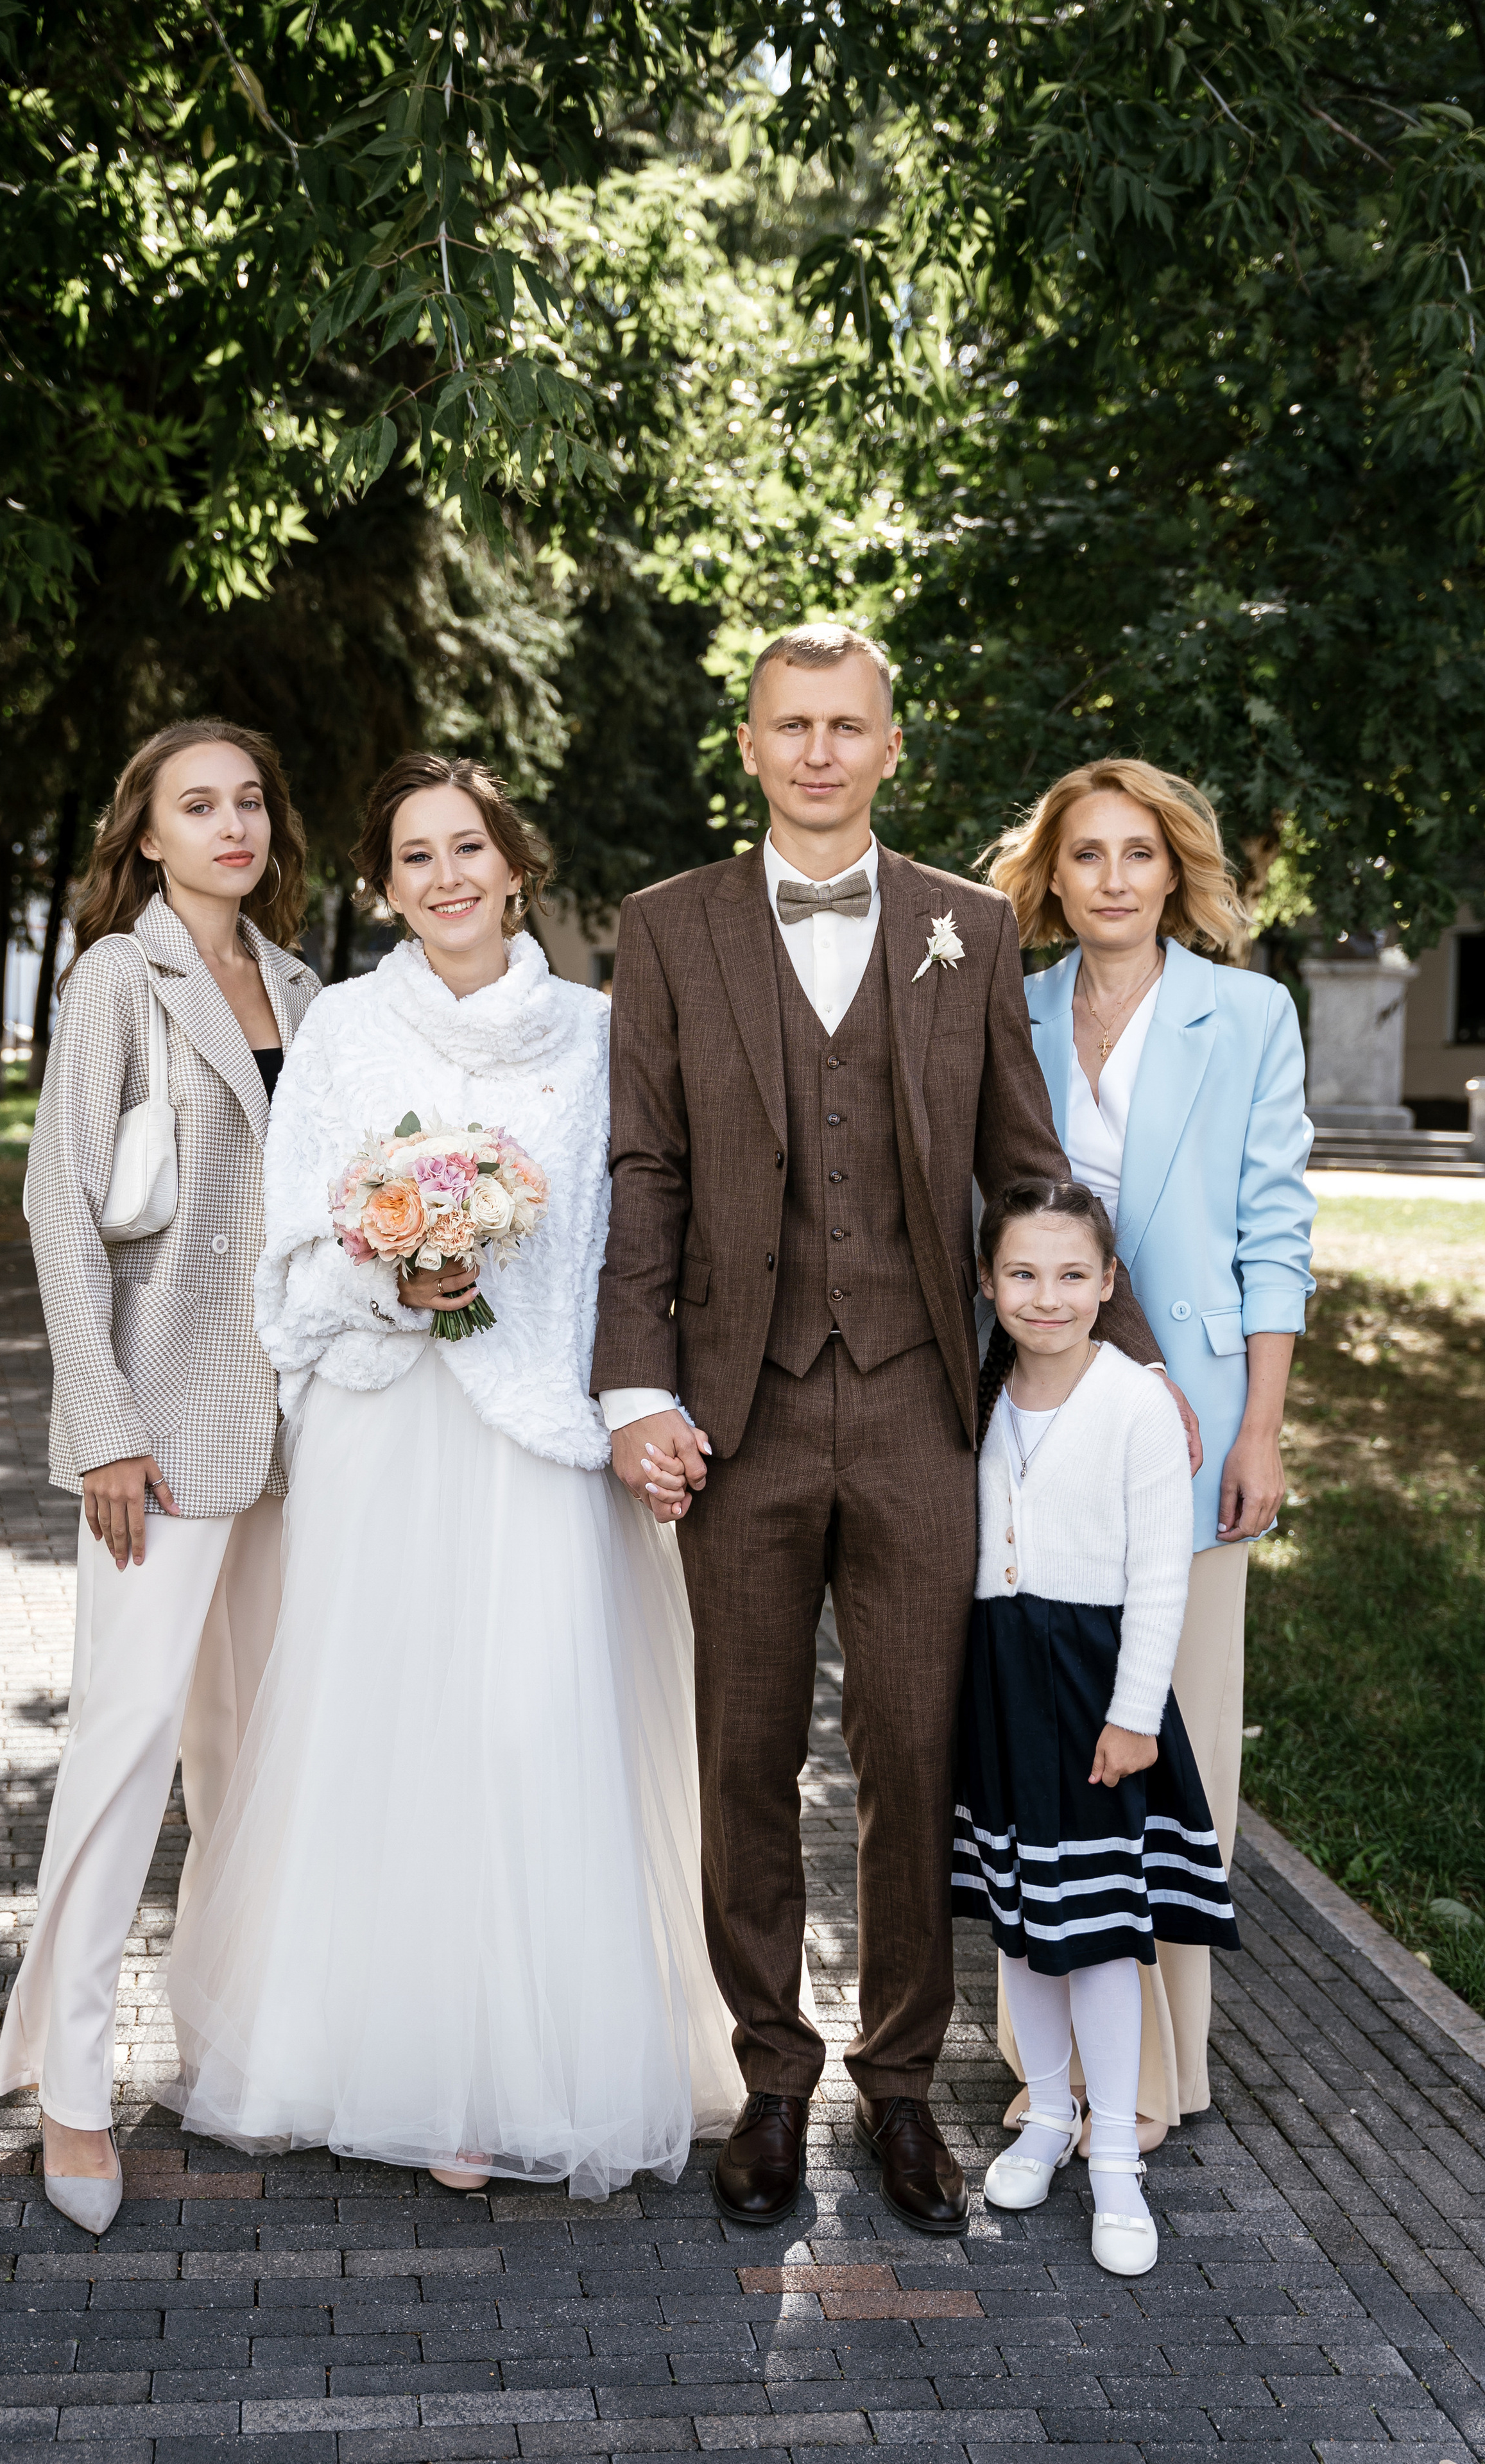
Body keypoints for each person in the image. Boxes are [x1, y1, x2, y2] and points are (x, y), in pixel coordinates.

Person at [591, 624, 1194, 2233]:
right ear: (745, 743)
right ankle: (772, 2079)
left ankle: (906, 2086)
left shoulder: (966, 926)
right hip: (743, 1410)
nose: (815, 752)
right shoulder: (662, 930)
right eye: (789, 726)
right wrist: (634, 1387)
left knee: (920, 1754)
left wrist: (1126, 1365)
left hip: (933, 1412)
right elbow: (641, 1170)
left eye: (844, 727)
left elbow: (1022, 1158)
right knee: (742, 1753)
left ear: (889, 747)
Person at [162, 753, 743, 2196]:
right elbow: (292, 1248)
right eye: (414, 856)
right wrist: (398, 1282)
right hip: (390, 1423)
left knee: (528, 1730)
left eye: (467, 848)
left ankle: (529, 2065)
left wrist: (628, 1397)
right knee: (391, 1728)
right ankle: (398, 2069)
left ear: (516, 865)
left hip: (540, 1430)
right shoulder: (348, 1030)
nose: (446, 878)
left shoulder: (603, 1031)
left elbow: (634, 1241)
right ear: (381, 885)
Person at [0, 719, 319, 2233]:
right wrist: (101, 1424)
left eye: (248, 800)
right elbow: (60, 1211)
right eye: (200, 804)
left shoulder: (306, 989)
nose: (232, 823)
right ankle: (69, 2092)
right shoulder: (118, 977)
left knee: (253, 1753)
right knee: (122, 1753)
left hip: (299, 1440)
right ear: (150, 833)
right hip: (161, 1432)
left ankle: (233, 2049)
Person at [986, 757, 1314, 2145]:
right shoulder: (1012, 1010)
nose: (1111, 878)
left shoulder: (1244, 1013)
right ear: (1049, 877)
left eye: (1137, 854)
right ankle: (1043, 2067)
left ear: (1173, 872)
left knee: (1172, 1731)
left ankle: (1167, 2066)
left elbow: (1272, 1229)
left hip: (1189, 1411)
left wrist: (1257, 1424)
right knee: (1035, 1730)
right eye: (1085, 856)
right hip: (1033, 1401)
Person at [954, 1177, 1239, 2277]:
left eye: (1073, 1275)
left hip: (1095, 1690)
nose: (1047, 1295)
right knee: (1028, 1919)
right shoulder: (978, 1394)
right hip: (1003, 1682)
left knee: (1105, 1932)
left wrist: (1133, 1715)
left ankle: (1116, 2152)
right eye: (1022, 1273)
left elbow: (1162, 1578)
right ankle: (1047, 2118)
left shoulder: (1132, 1406)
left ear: (1108, 1285)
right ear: (988, 1282)